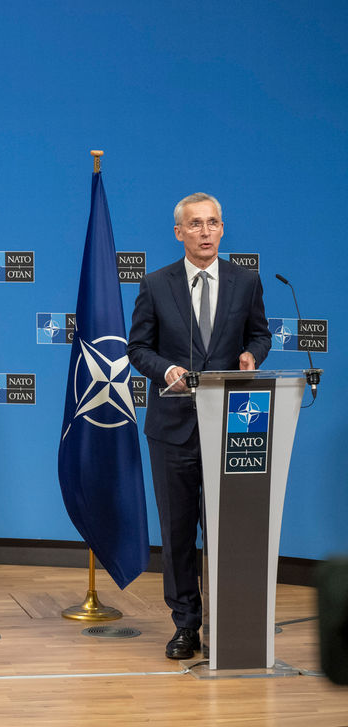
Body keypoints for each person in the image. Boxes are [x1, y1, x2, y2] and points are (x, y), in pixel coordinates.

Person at [127, 193, 270, 659]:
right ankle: (185, 625)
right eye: (196, 224)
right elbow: (137, 349)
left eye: (213, 223)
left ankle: (227, 623)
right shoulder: (155, 284)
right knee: (178, 532)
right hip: (172, 429)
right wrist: (165, 369)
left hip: (230, 426)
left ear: (222, 229)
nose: (205, 232)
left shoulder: (245, 281)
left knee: (227, 530)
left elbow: (260, 333)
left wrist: (253, 355)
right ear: (179, 233)